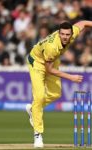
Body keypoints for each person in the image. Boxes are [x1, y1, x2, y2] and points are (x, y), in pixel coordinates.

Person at [26, 20, 92, 148]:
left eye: (67, 35)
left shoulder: (73, 33)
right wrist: (70, 77)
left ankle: (34, 109)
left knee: (56, 94)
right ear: (59, 33)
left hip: (51, 61)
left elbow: (84, 23)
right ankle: (38, 134)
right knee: (39, 97)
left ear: (71, 33)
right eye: (62, 34)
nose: (65, 37)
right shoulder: (52, 47)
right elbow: (49, 70)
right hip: (37, 62)